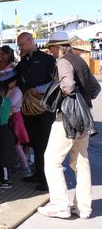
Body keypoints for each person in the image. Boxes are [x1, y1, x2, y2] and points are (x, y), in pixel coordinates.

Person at [38, 32, 100, 219]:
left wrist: (64, 96)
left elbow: (68, 86)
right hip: (85, 115)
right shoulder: (79, 60)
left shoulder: (63, 61)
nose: (50, 52)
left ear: (58, 47)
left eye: (50, 48)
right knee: (81, 161)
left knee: (51, 160)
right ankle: (84, 207)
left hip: (68, 117)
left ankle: (60, 205)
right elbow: (96, 88)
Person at [15, 32, 56, 191]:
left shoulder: (47, 60)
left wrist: (37, 89)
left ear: (31, 41)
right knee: (34, 143)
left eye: (21, 44)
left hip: (45, 108)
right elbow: (14, 75)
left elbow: (55, 82)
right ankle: (38, 174)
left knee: (44, 144)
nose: (20, 47)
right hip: (29, 109)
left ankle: (47, 180)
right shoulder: (24, 61)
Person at [0, 81, 17, 190]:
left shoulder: (2, 101)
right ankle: (1, 178)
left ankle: (5, 180)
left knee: (3, 158)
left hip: (2, 131)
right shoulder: (4, 101)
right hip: (1, 130)